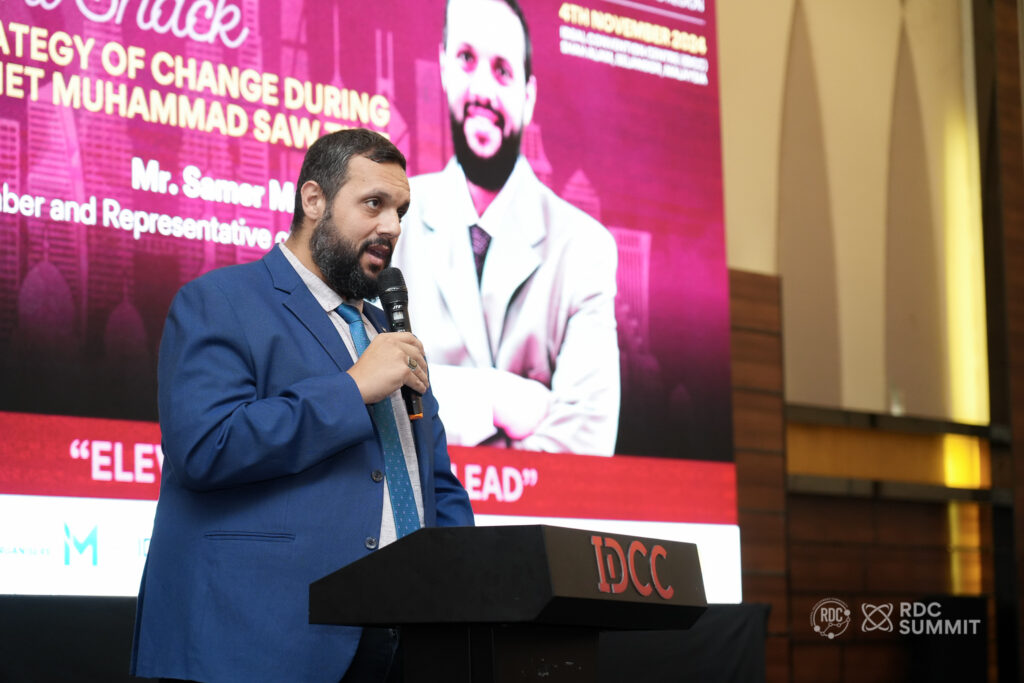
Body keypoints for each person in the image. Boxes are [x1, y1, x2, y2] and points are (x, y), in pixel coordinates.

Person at [130, 129, 475, 683]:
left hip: (406, 637)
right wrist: (352, 389)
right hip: (260, 641)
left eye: (401, 210)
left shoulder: (389, 333)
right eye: (374, 203)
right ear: (314, 200)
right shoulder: (219, 301)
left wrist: (469, 585)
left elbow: (433, 482)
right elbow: (204, 449)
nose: (393, 226)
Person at [393, 0, 621, 456]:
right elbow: (355, 392)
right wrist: (493, 397)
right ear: (443, 67)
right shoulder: (391, 222)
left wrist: (432, 397)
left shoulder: (585, 248)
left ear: (528, 95)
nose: (482, 89)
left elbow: (585, 444)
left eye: (502, 70)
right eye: (466, 59)